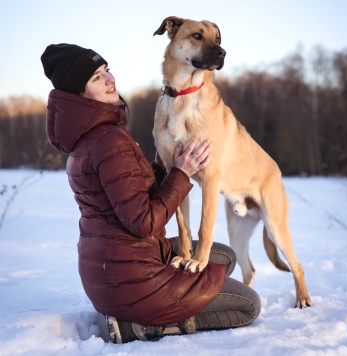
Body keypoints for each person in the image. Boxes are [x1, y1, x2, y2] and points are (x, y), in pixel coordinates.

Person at [40, 43, 261, 343]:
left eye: (106, 70)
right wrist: (181, 174)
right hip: (134, 283)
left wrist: (164, 164)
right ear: (79, 94)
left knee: (224, 257)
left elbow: (129, 196)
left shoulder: (92, 137)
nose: (109, 80)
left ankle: (151, 309)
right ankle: (141, 326)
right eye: (96, 78)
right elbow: (143, 221)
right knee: (249, 305)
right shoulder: (109, 142)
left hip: (111, 272)